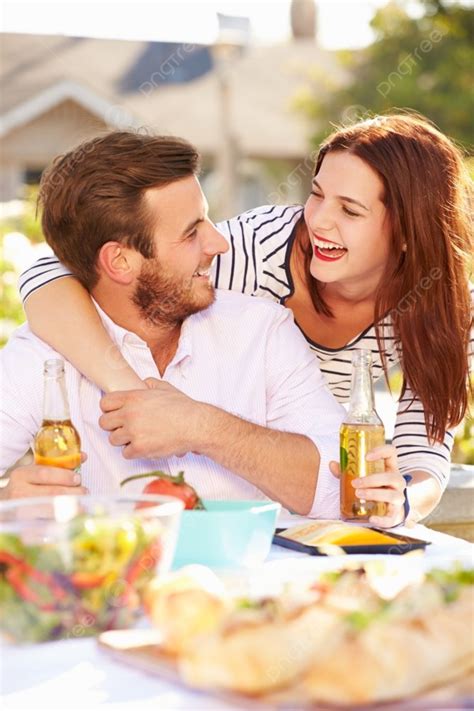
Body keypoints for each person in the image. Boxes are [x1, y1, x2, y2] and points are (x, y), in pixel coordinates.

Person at [16, 114, 473, 524]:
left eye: (351, 210)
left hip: (294, 472)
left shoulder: (445, 309)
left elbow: (416, 456)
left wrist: (401, 500)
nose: (319, 223)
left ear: (411, 232)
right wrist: (133, 392)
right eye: (315, 195)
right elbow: (68, 268)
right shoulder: (249, 254)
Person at [0, 131, 347, 519]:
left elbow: (343, 491)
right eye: (191, 232)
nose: (219, 243)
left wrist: (202, 426)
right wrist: (7, 506)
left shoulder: (261, 332)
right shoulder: (42, 358)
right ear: (119, 262)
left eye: (209, 219)